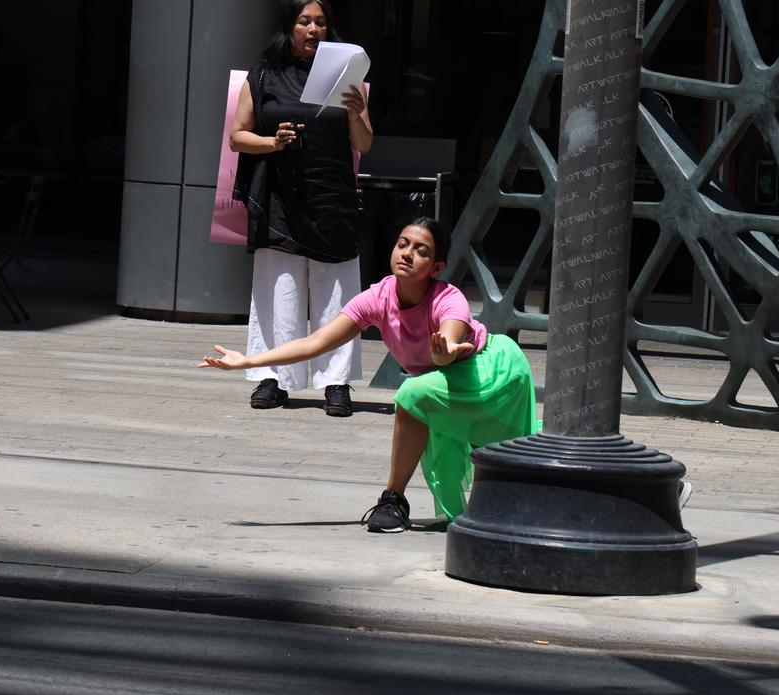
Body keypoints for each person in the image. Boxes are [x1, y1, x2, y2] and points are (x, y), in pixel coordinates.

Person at [200, 218, 540, 532]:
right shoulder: (378, 297)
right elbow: (316, 341)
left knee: (455, 424)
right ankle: (398, 502)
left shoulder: (448, 299)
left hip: (493, 369)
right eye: (403, 244)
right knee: (419, 397)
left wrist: (443, 352)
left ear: (436, 267)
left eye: (421, 250)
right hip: (449, 376)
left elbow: (449, 341)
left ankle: (401, 499)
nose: (407, 253)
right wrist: (248, 362)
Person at [229, 0, 372, 417]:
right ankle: (273, 377)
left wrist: (356, 111)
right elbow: (238, 136)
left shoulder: (346, 73)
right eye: (305, 21)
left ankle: (336, 382)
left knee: (337, 291)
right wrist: (273, 142)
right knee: (280, 290)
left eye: (321, 22)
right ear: (289, 27)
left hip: (331, 193)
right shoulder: (263, 75)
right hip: (280, 194)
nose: (314, 29)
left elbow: (364, 142)